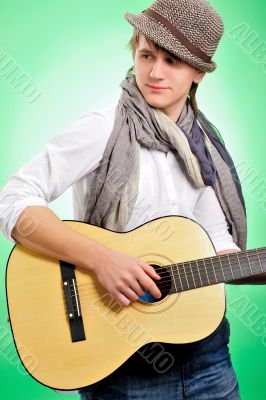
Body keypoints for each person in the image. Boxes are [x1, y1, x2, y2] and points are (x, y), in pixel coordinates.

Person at [1, 0, 265, 399]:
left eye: (172, 61)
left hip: (208, 358)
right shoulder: (104, 127)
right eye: (146, 55)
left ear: (198, 72)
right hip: (120, 365)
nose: (155, 73)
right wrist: (101, 260)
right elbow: (14, 199)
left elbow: (217, 245)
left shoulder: (206, 148)